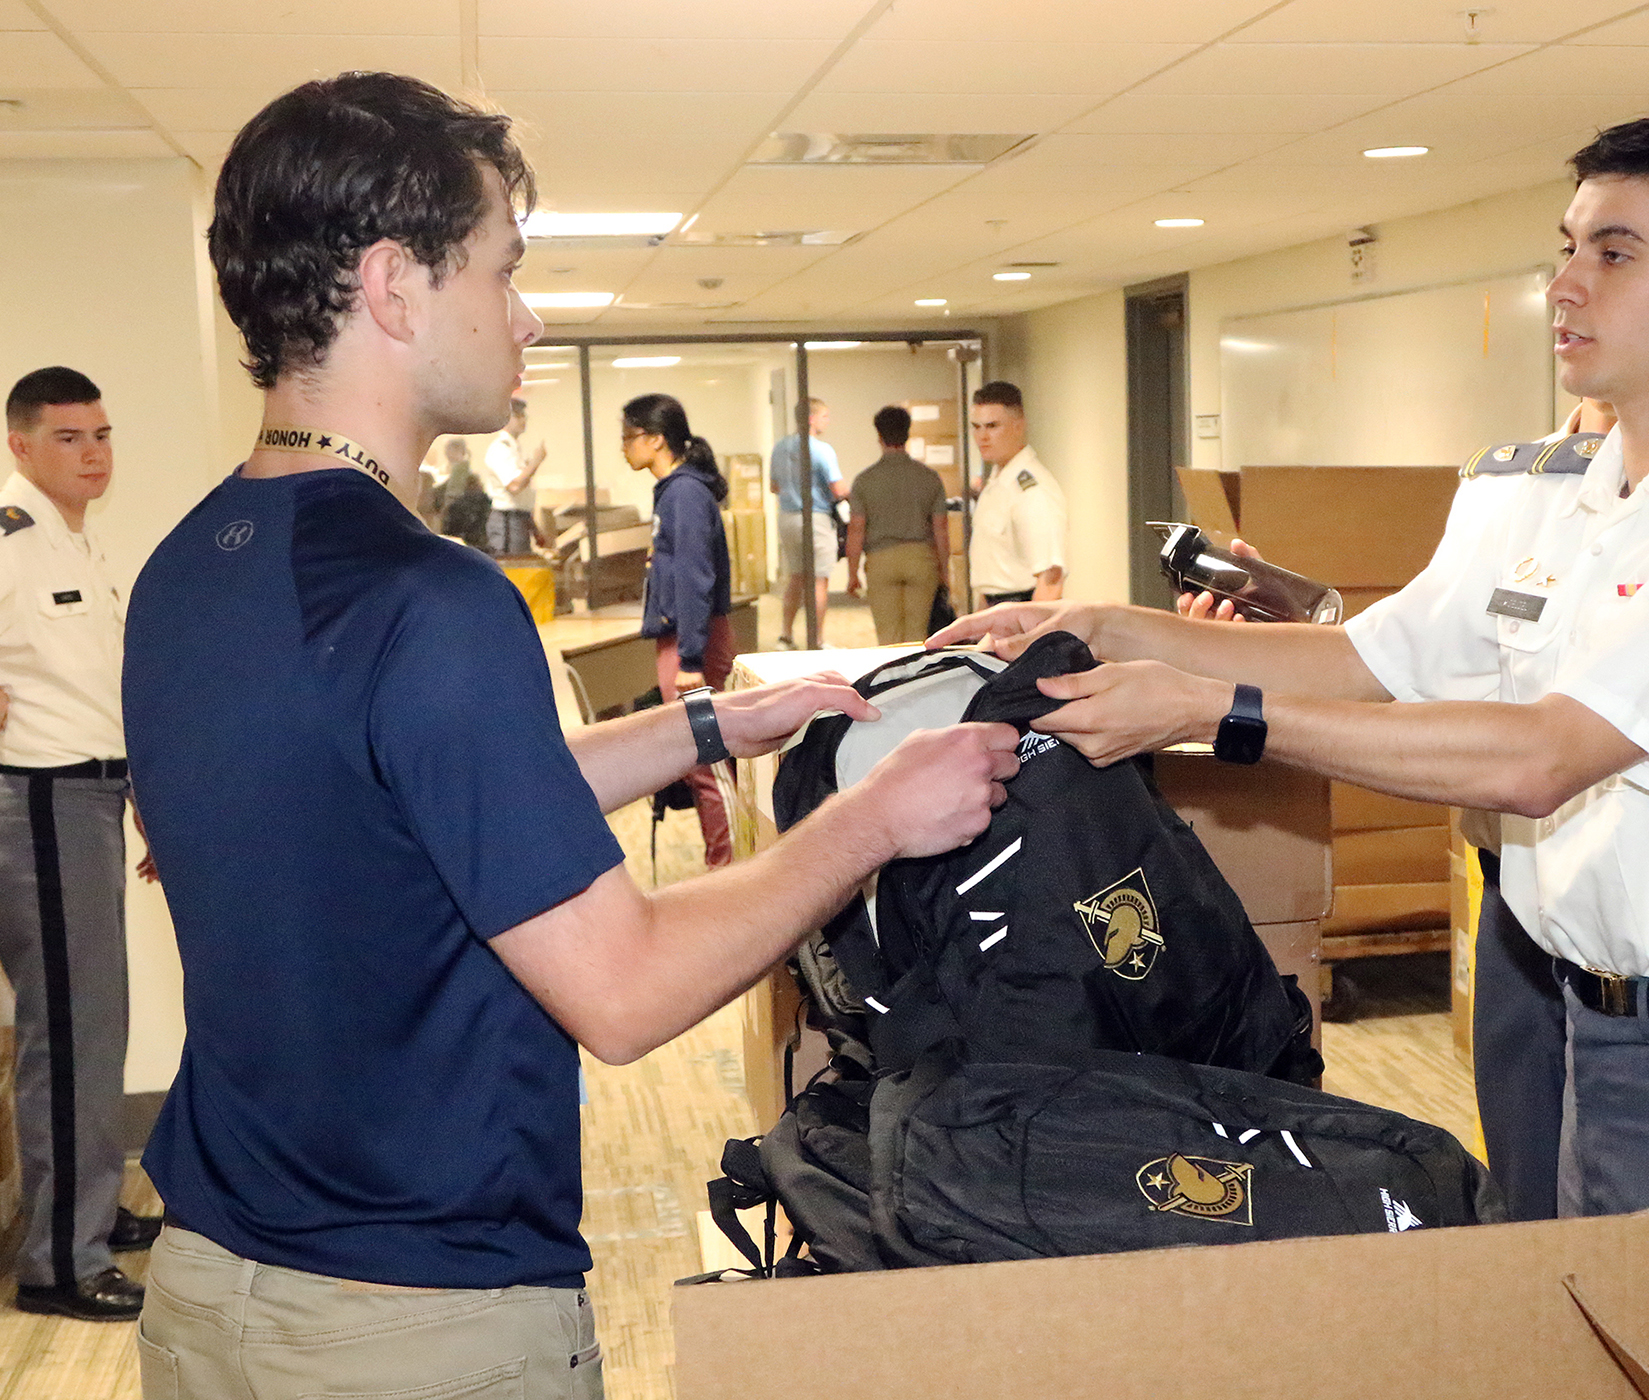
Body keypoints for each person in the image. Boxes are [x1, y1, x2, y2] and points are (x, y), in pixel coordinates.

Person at [939, 109, 1649, 1400]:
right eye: (1566, 247)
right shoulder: (1557, 493)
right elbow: (1373, 656)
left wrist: (1205, 712)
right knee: (1589, 1367)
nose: (1565, 283)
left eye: (1614, 253)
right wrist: (1106, 625)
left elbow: (1546, 758)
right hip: (1565, 1027)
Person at [122, 72, 1018, 1399]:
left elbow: (407, 812)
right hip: (417, 1322)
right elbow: (624, 989)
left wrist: (711, 724)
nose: (527, 316)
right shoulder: (434, 600)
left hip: (212, 1296)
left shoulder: (188, 570)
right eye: (503, 270)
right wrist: (875, 820)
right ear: (393, 285)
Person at [0, 366, 161, 1322]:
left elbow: (89, 690)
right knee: (68, 1036)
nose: (94, 453)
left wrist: (140, 790)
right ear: (21, 446)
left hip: (87, 800)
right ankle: (58, 1266)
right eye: (68, 438)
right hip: (38, 807)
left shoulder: (72, 538)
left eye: (102, 434)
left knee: (93, 1024)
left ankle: (90, 1210)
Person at [624, 392, 736, 868]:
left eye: (628, 437)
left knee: (710, 763)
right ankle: (726, 864)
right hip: (684, 642)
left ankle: (730, 872)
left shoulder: (685, 494)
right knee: (701, 761)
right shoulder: (675, 491)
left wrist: (691, 659)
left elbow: (694, 577)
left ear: (655, 440)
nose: (623, 447)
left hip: (696, 646)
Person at [846, 405, 950, 644]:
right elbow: (940, 529)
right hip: (921, 560)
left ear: (879, 436)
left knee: (888, 637)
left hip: (881, 561)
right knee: (918, 635)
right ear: (908, 433)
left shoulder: (864, 481)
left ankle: (892, 679)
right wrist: (944, 570)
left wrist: (853, 572)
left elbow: (856, 530)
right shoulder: (929, 477)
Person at [966, 380, 1066, 607]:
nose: (982, 437)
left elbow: (1051, 581)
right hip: (996, 610)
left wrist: (1030, 639)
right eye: (976, 426)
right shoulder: (997, 484)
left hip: (1021, 609)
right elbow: (990, 576)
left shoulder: (1032, 492)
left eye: (992, 426)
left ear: (1018, 426)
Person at [768, 397, 846, 647]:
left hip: (787, 517)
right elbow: (838, 489)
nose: (827, 421)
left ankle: (786, 635)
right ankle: (817, 639)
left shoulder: (779, 448)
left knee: (796, 577)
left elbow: (774, 487)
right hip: (814, 518)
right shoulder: (821, 450)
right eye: (824, 416)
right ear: (811, 419)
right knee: (819, 579)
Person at [484, 396, 546, 555]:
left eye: (524, 415)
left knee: (521, 567)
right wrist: (535, 462)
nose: (523, 420)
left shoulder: (514, 449)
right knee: (512, 567)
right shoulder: (501, 449)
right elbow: (515, 486)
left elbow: (522, 498)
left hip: (519, 519)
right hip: (507, 521)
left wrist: (534, 529)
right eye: (517, 416)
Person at [431, 437, 492, 551]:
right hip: (442, 524)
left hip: (462, 527)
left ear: (463, 451)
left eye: (456, 448)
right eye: (450, 448)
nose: (451, 452)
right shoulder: (437, 472)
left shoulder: (469, 477)